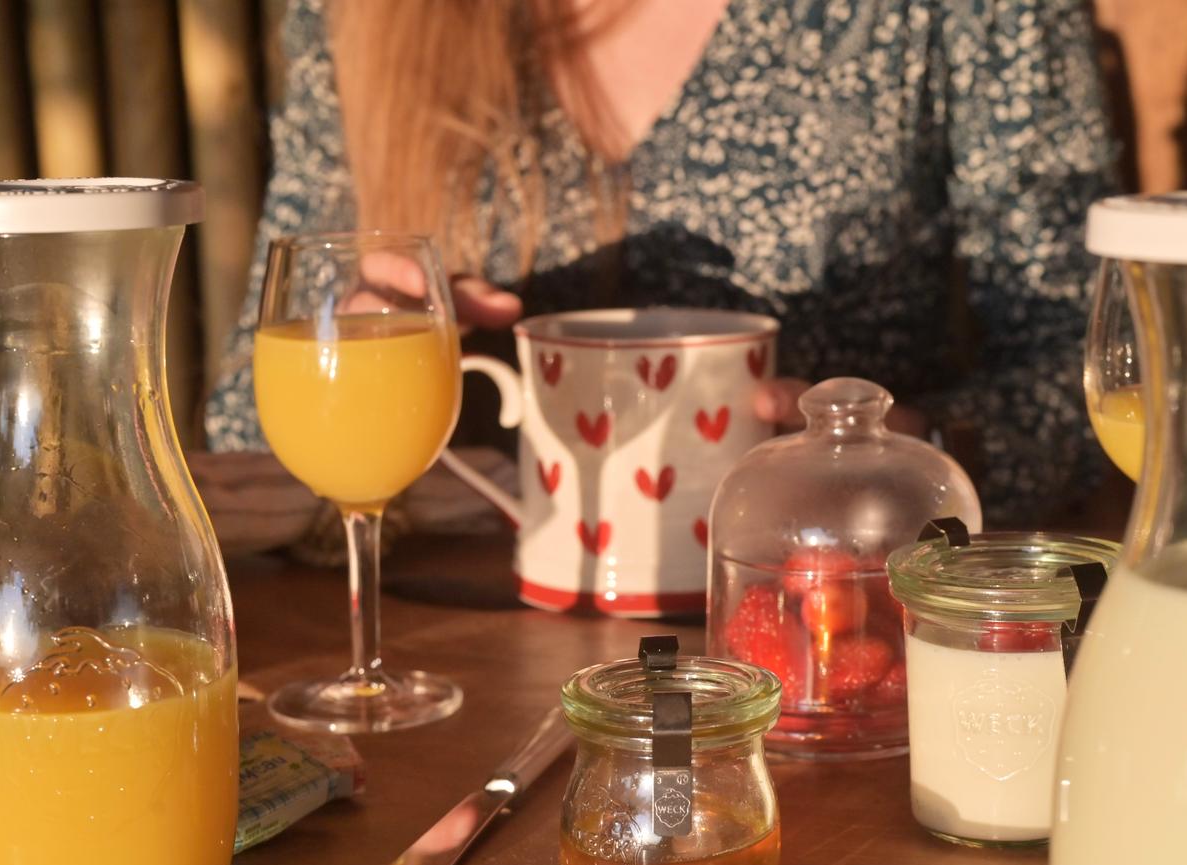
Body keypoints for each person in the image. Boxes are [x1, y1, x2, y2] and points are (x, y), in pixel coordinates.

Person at [204, 0, 1118, 529]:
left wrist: (908, 458)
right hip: (452, 669)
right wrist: (357, 357)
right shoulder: (362, 15)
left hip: (829, 652)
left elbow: (1103, 376)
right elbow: (247, 421)